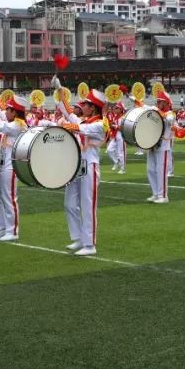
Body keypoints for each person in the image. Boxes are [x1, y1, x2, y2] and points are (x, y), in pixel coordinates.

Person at [56, 89, 107, 256]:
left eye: (85, 104)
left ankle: (90, 244)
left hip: (90, 166)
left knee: (87, 205)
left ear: (93, 108)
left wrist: (64, 124)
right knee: (69, 203)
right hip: (77, 166)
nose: (82, 106)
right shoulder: (86, 120)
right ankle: (78, 238)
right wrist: (59, 90)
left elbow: (79, 127)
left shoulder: (99, 124)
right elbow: (69, 113)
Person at [0, 92, 27, 241]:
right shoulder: (10, 121)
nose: (6, 112)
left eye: (9, 110)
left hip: (10, 166)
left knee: (9, 198)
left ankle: (12, 231)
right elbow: (0, 111)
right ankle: (0, 228)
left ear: (15, 112)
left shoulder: (19, 125)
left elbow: (2, 125)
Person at [145, 89, 176, 203]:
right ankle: (155, 193)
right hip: (152, 144)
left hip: (163, 145)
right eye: (157, 101)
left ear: (166, 103)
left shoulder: (170, 113)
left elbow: (169, 120)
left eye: (160, 101)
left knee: (160, 170)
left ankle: (163, 196)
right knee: (150, 170)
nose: (157, 103)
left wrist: (158, 111)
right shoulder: (156, 111)